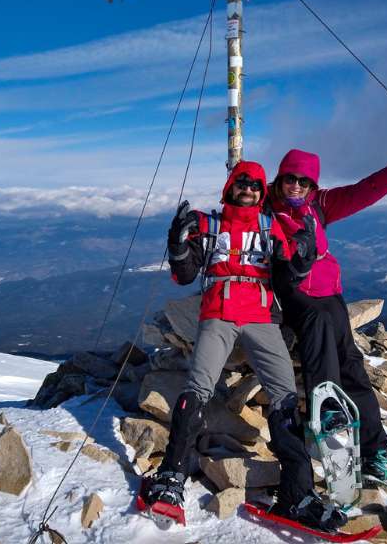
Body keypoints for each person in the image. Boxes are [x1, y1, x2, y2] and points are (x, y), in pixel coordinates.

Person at [140, 160, 345, 532]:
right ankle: (171, 477)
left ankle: (297, 493)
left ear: (262, 191)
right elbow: (185, 275)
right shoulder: (208, 225)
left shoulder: (270, 228)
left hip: (261, 315)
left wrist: (302, 257)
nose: (249, 189)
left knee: (284, 396)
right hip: (219, 311)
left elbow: (288, 274)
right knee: (197, 387)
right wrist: (178, 245)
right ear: (230, 186)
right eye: (242, 182)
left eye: (255, 184)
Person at [267, 140, 387, 487]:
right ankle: (330, 410)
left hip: (329, 292)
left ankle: (376, 449)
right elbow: (238, 208)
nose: (296, 186)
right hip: (293, 290)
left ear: (313, 185)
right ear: (279, 179)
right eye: (290, 178)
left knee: (351, 364)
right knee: (317, 331)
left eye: (304, 181)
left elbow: (365, 192)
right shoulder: (266, 208)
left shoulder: (320, 205)